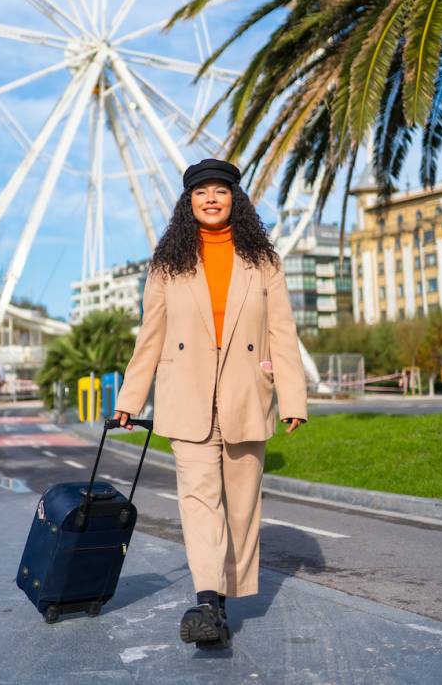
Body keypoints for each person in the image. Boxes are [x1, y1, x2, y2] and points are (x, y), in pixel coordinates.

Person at [114, 158, 307, 650]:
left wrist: (293, 397)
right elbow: (150, 335)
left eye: (220, 191)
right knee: (200, 502)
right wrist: (130, 398)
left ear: (235, 199)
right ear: (189, 202)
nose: (211, 199)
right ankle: (208, 603)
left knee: (241, 508)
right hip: (187, 396)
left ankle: (225, 595)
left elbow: (282, 332)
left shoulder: (264, 261)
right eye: (201, 193)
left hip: (247, 394)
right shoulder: (167, 263)